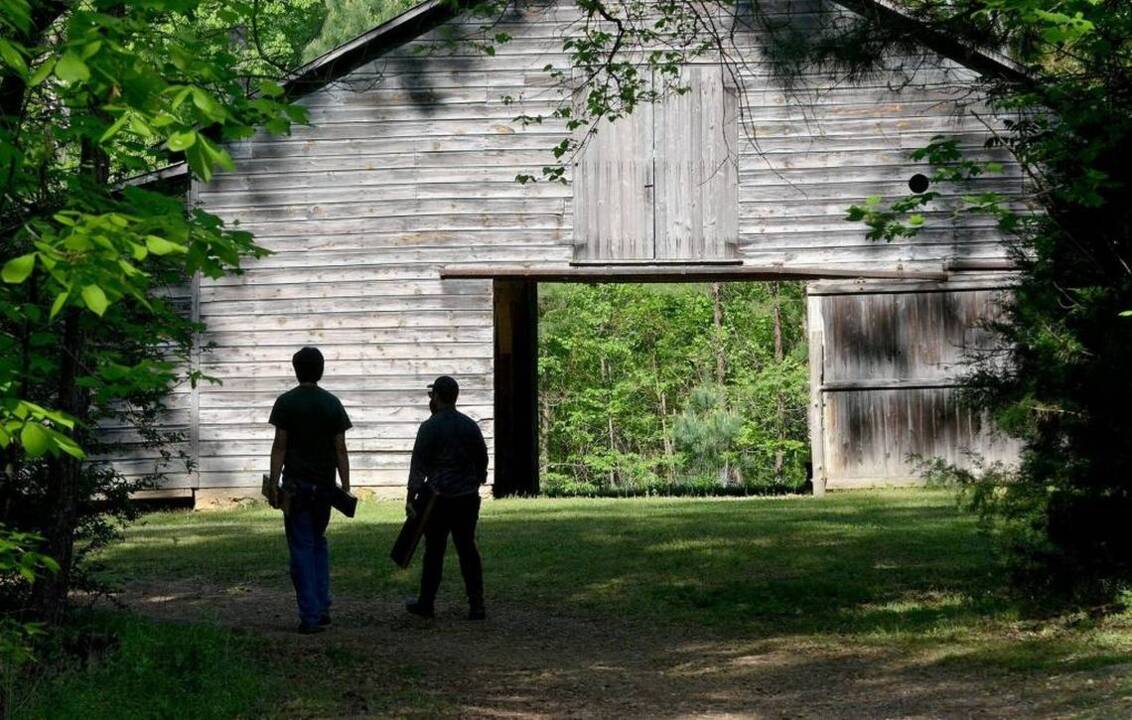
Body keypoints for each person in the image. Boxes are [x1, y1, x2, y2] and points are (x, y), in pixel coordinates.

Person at [268, 347, 352, 634]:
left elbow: (280, 446)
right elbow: (340, 449)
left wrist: (274, 483)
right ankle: (323, 604)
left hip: (297, 488)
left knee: (302, 548)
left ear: (296, 370)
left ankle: (310, 616)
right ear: (321, 369)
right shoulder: (332, 403)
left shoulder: (285, 403)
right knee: (318, 542)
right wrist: (346, 487)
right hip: (325, 489)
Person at [405, 375, 489, 620]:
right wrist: (477, 481)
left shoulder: (429, 427)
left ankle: (426, 603)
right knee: (467, 548)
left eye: (432, 395)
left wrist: (410, 497)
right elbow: (482, 458)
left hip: (437, 500)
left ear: (438, 397)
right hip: (466, 498)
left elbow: (418, 467)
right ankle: (476, 604)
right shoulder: (469, 425)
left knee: (434, 550)